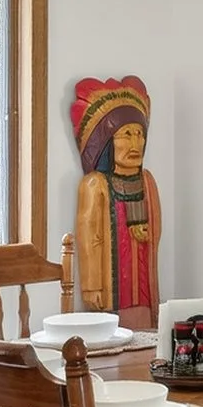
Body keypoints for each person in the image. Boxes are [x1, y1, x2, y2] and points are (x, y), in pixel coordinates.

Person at [71, 76, 159, 327]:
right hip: (111, 288)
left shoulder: (148, 182)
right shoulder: (95, 185)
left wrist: (144, 232)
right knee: (113, 332)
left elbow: (156, 233)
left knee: (145, 327)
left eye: (139, 134)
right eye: (126, 135)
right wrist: (91, 287)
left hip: (142, 282)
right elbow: (89, 239)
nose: (135, 144)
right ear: (107, 142)